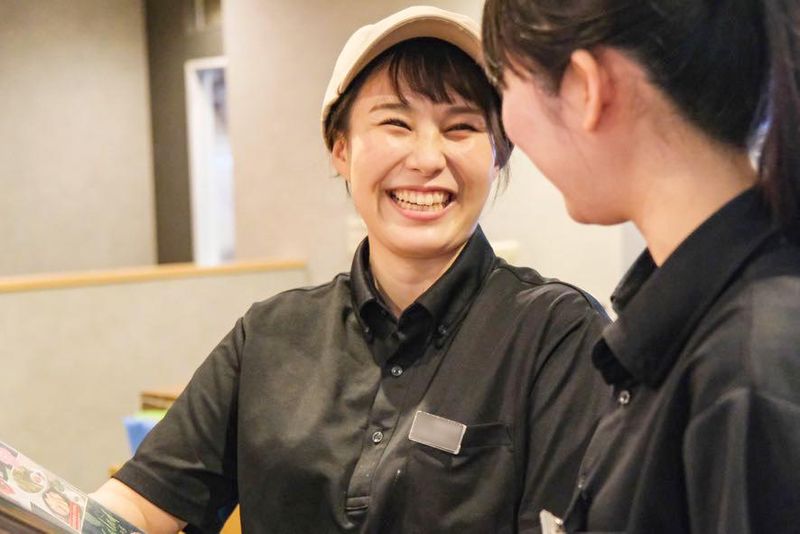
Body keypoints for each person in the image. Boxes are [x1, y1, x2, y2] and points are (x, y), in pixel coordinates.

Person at [91, 6, 610, 533]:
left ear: (498, 154)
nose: (428, 158)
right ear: (341, 148)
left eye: (462, 127)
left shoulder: (558, 334)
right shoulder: (270, 333)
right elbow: (138, 503)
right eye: (396, 123)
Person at [482, 0, 800, 532]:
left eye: (503, 84)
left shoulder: (750, 364)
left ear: (584, 88)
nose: (507, 123)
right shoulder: (705, 331)